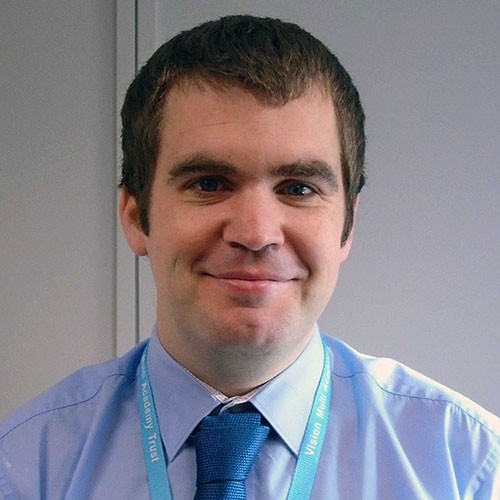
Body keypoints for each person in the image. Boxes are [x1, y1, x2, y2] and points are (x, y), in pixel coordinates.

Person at [0, 14, 498, 500]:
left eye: (298, 188)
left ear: (347, 226)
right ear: (135, 217)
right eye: (209, 183)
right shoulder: (22, 469)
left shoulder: (469, 468)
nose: (256, 234)